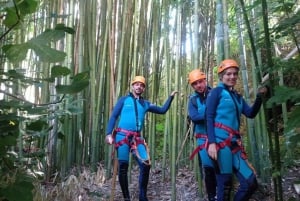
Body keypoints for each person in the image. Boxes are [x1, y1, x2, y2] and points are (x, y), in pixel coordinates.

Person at [105, 75, 178, 201]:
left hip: (136, 139)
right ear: (133, 86)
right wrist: (108, 134)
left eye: (142, 85)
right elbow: (113, 116)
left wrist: (170, 97)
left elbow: (162, 110)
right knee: (123, 167)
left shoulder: (145, 104)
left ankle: (142, 196)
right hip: (122, 136)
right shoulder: (123, 100)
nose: (139, 87)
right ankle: (126, 197)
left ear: (144, 88)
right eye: (137, 84)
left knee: (146, 165)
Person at [206, 59, 268, 201]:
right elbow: (208, 117)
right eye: (228, 74)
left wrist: (259, 97)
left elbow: (250, 113)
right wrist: (212, 143)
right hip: (220, 145)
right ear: (221, 76)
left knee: (251, 183)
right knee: (225, 186)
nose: (232, 77)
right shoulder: (216, 92)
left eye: (235, 74)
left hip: (235, 146)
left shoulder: (238, 97)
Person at [187, 69, 217, 201]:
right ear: (192, 86)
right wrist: (211, 115)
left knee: (222, 167)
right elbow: (194, 117)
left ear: (205, 80)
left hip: (218, 137)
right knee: (208, 168)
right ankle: (212, 197)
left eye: (200, 81)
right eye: (195, 84)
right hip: (202, 139)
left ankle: (222, 195)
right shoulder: (192, 100)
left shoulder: (216, 94)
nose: (199, 85)